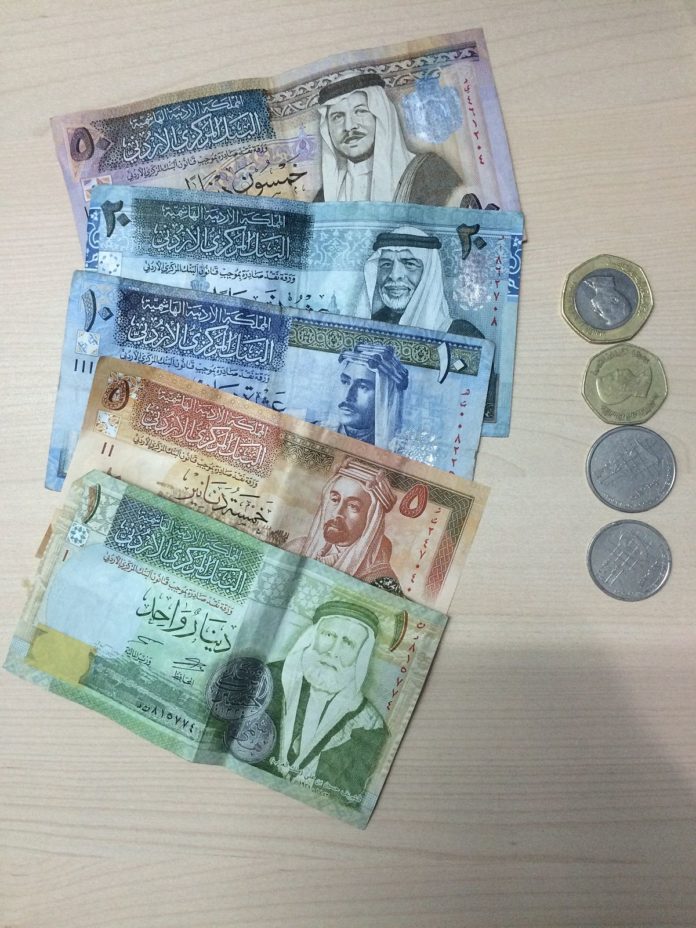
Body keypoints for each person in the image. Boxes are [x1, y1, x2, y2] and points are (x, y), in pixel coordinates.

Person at [258, 600, 388, 801]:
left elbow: (346, 798)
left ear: (359, 656)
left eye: (348, 643)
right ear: (312, 636)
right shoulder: (265, 679)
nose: (333, 652)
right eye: (328, 635)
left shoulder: (369, 726)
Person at [314, 71, 466, 206]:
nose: (349, 126)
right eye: (337, 117)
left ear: (381, 117)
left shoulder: (431, 172)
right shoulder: (323, 199)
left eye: (360, 111)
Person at [287, 457, 402, 595]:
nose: (337, 512)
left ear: (371, 520)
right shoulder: (296, 547)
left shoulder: (382, 582)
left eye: (353, 506)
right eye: (334, 499)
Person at [330, 343, 409, 446]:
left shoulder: (396, 448)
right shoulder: (317, 428)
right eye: (345, 382)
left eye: (363, 387)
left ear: (386, 398)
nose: (347, 396)